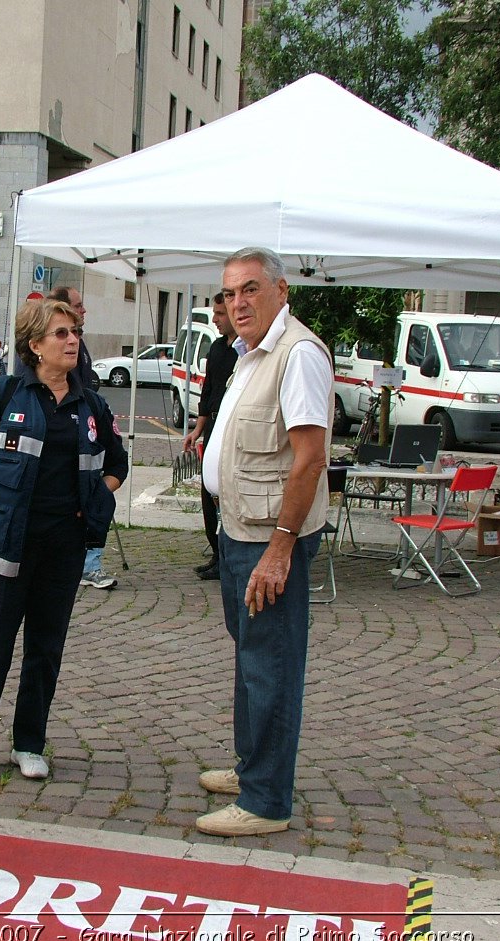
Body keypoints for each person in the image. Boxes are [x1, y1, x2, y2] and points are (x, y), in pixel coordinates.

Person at [0, 297, 128, 784]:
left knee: (45, 650)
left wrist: (94, 495)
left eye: (75, 332)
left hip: (63, 549)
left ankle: (28, 742)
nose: (73, 340)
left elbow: (118, 465)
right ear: (35, 346)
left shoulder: (91, 403)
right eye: (61, 333)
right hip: (3, 545)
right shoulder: (4, 394)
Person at [196, 247, 333, 838]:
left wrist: (281, 546)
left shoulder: (297, 354)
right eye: (229, 294)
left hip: (267, 540)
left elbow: (309, 460)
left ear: (282, 291)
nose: (238, 303)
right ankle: (254, 768)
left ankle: (266, 801)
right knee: (251, 659)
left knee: (271, 664)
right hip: (238, 530)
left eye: (250, 289)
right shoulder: (247, 355)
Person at [48, 284, 115, 589]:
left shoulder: (80, 344)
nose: (84, 310)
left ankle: (90, 561)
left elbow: (119, 465)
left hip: (90, 435)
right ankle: (85, 563)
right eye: (79, 305)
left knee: (93, 493)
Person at [182, 293, 241, 580]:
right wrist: (198, 428)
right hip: (213, 426)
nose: (215, 319)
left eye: (219, 313)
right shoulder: (217, 348)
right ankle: (216, 552)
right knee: (208, 490)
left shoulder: (243, 351)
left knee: (226, 494)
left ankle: (228, 555)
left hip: (233, 428)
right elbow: (207, 393)